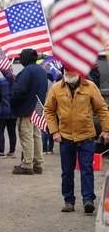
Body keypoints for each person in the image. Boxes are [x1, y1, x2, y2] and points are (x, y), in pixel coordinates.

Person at [44, 66, 109, 214]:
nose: (69, 73)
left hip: (86, 136)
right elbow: (49, 110)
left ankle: (88, 200)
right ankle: (68, 201)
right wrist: (54, 131)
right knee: (67, 171)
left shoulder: (90, 86)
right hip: (66, 136)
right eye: (66, 70)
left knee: (86, 169)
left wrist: (106, 130)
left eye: (72, 70)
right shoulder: (56, 88)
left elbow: (102, 109)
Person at [5, 49, 48, 175]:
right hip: (38, 106)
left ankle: (27, 164)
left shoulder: (27, 71)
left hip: (27, 108)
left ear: (25, 58)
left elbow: (18, 90)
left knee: (26, 135)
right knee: (36, 135)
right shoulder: (41, 70)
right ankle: (38, 163)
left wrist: (13, 103)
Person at [0, 76, 17, 158]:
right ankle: (12, 151)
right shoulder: (16, 80)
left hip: (1, 110)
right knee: (12, 132)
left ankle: (1, 151)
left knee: (0, 132)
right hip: (13, 110)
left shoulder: (0, 81)